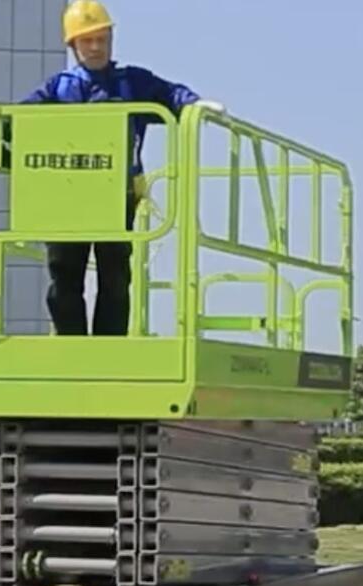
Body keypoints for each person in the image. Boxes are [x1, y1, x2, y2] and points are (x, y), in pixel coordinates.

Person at [21, 0, 224, 336]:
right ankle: (71, 345)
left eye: (102, 39)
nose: (96, 47)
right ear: (73, 45)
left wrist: (193, 104)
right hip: (66, 196)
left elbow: (169, 93)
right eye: (88, 40)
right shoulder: (58, 88)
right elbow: (20, 119)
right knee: (64, 274)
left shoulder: (131, 82)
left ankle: (108, 344)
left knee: (115, 275)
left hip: (116, 194)